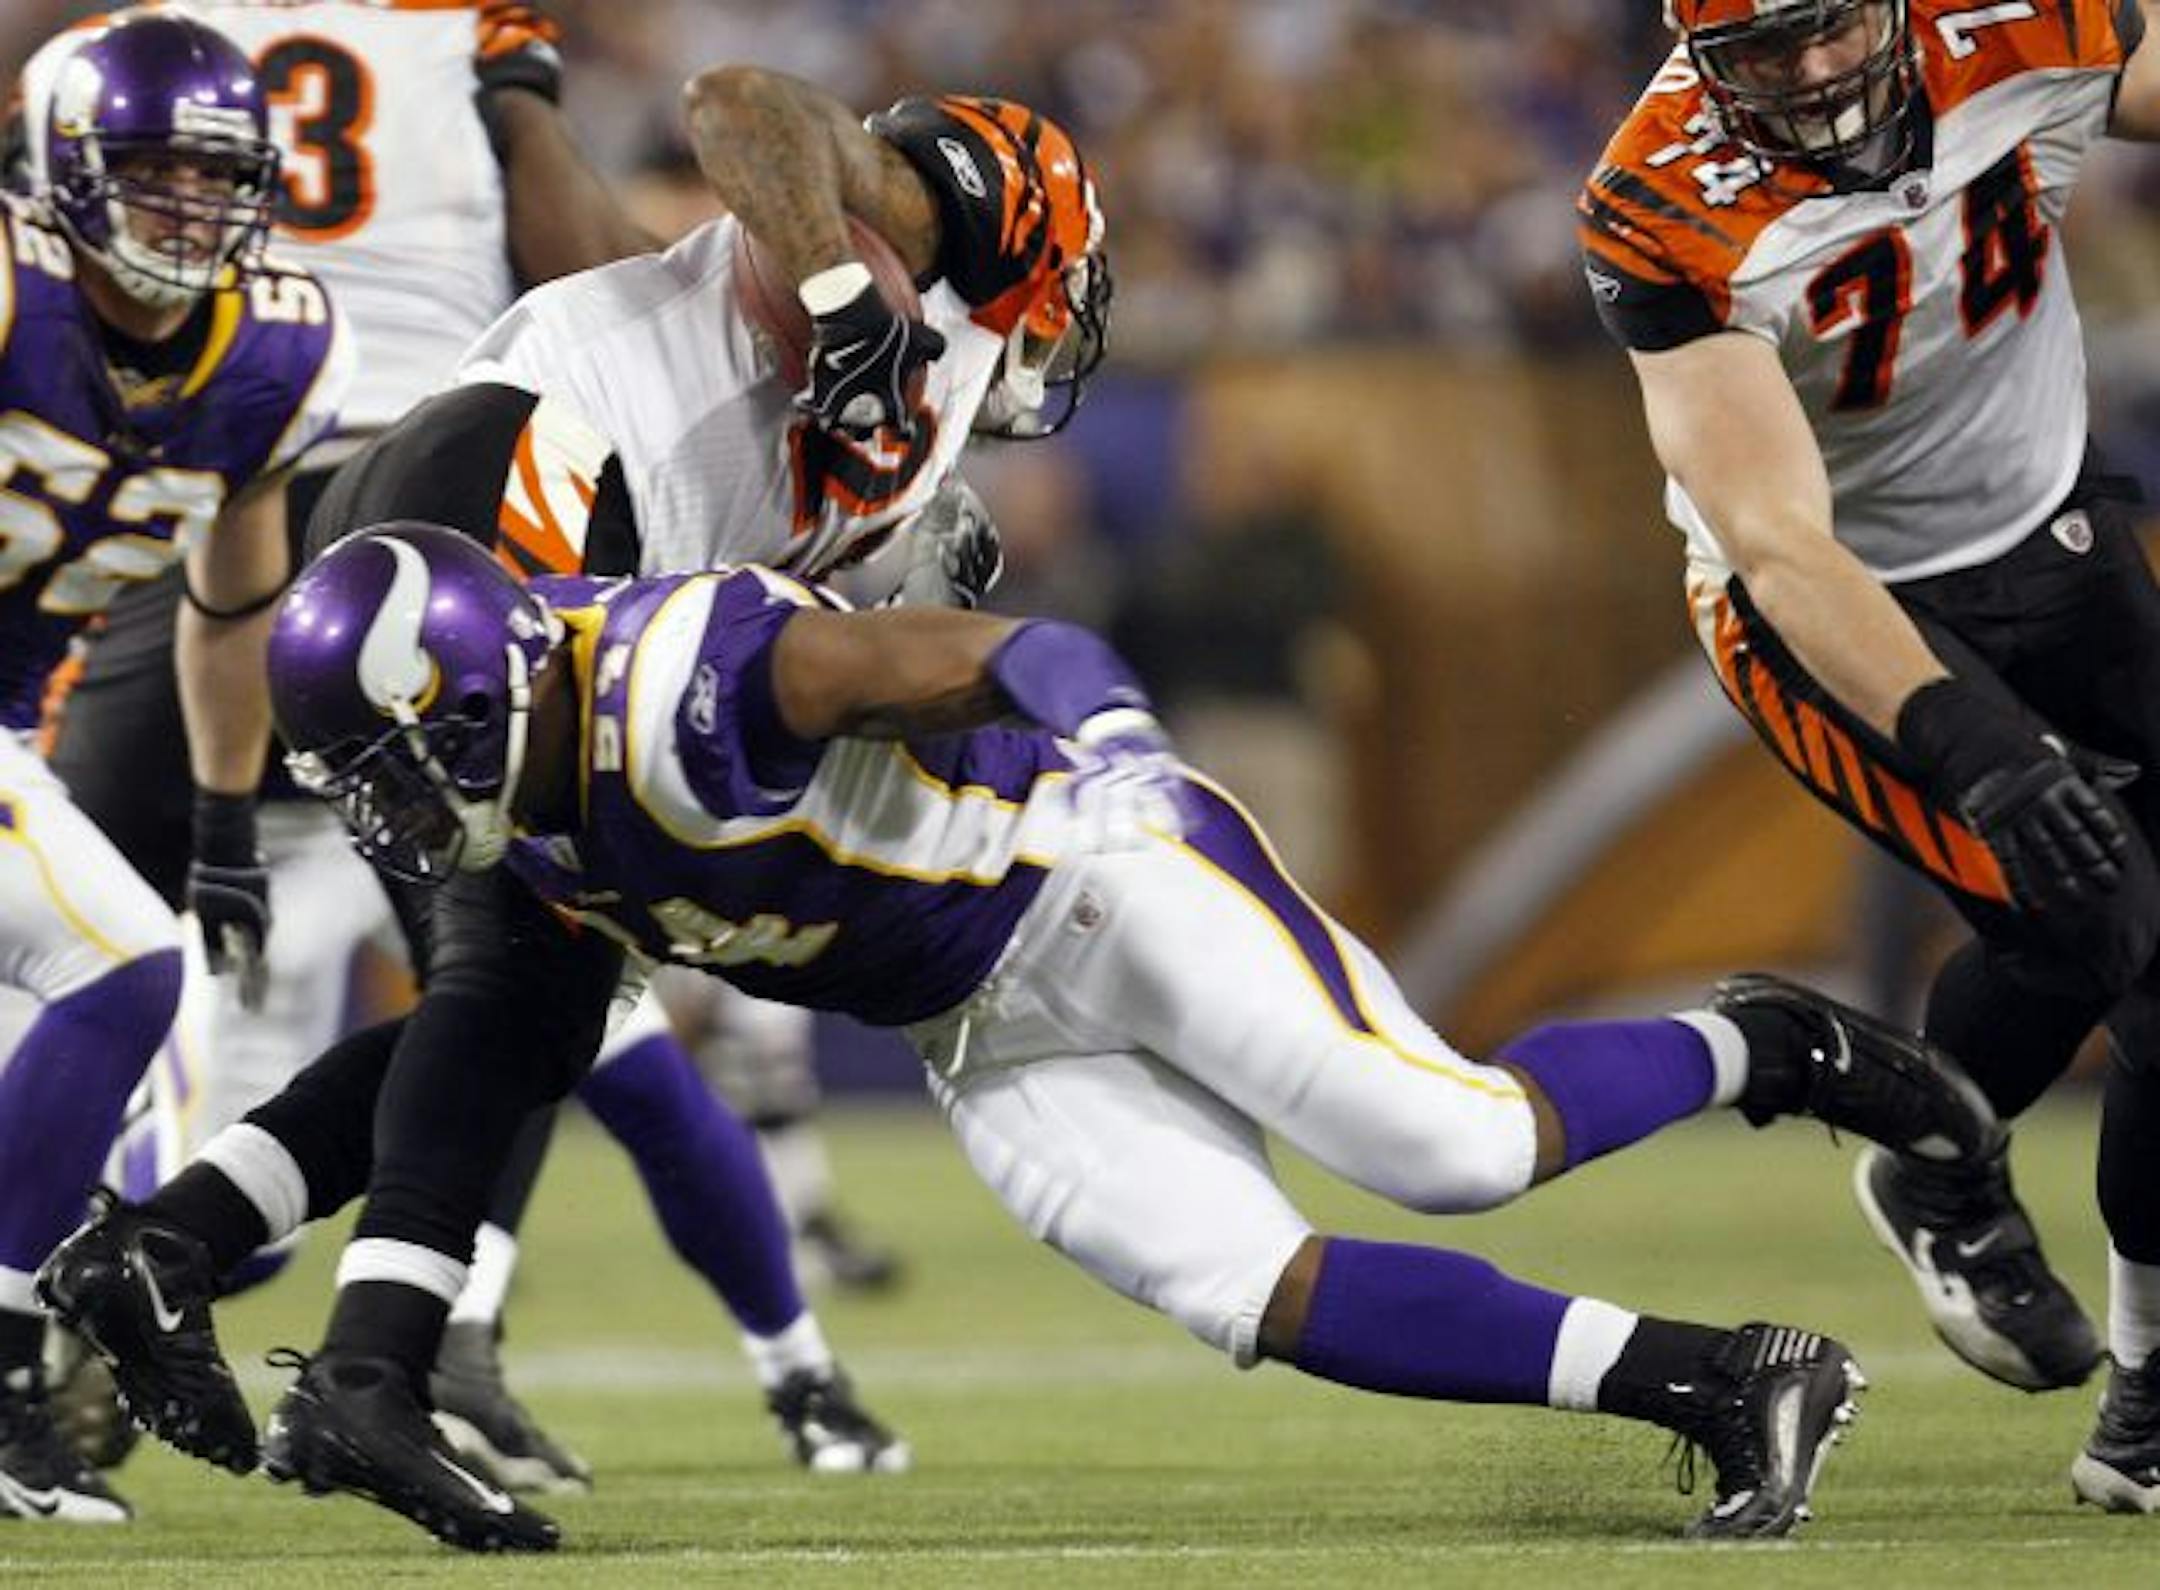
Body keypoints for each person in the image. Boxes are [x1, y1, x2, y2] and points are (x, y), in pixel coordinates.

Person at [46, 522, 2016, 1549]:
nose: (395, 816)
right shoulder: (524, 810)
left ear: (474, 697)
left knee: (1452, 1144)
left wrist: (1131, 757)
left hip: (1090, 881)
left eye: (402, 765)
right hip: (979, 1023)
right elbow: (467, 1058)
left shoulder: (702, 671)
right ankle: (1732, 1381)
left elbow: (1007, 654)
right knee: (1241, 1288)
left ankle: (1775, 1048)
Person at [13, 1, 904, 1488]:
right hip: (441, 500)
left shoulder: (145, 46)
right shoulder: (449, 32)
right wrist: (694, 329)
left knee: (91, 935)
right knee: (531, 969)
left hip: (188, 494)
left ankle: (93, 1301)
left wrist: (226, 819)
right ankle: (447, 1327)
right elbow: (562, 222)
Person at [1578, 0, 2160, 1507]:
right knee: (2090, 912)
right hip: (1829, 603)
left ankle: (2147, 1410)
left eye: (1832, 25)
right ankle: (1933, 1155)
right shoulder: (1661, 205)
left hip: (2053, 527)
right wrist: (1979, 747)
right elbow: (1778, 541)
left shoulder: (2031, 26)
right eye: (1767, 48)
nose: (1818, 72)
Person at [0, 9, 351, 1522]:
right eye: (150, 175)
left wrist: (221, 814)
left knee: (177, 1133)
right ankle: (9, 1379)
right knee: (119, 966)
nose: (188, 212)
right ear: (61, 165)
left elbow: (234, 599)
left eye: (215, 181)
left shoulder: (275, 349)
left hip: (15, 734)